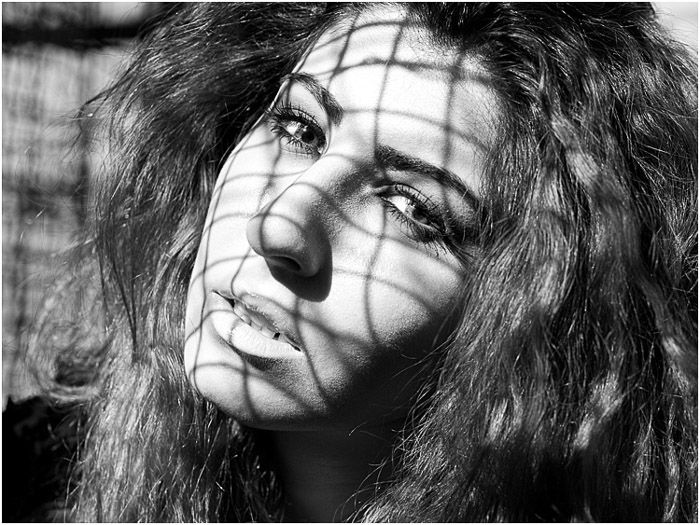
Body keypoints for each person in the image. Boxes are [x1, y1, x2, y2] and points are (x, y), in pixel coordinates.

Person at [27, 3, 697, 522]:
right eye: (299, 129)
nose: (278, 222)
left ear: (533, 313)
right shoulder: (30, 473)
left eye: (410, 206)